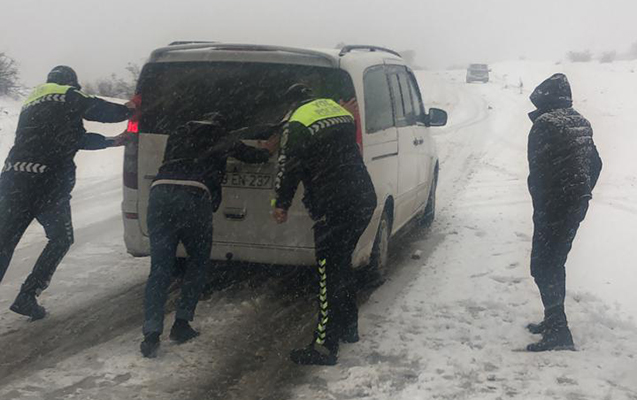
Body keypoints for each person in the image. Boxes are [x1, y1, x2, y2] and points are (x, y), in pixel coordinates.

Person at [0, 65, 135, 320]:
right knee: (61, 238)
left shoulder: (33, 102)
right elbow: (100, 110)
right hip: (46, 183)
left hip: (12, 180)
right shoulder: (68, 95)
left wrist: (110, 141)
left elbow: (74, 138)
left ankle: (28, 295)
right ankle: (28, 294)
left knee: (3, 244)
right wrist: (129, 109)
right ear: (71, 83)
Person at [140, 113, 279, 358]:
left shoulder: (178, 133)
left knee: (160, 268)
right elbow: (253, 157)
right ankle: (181, 324)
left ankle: (151, 332)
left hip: (159, 194)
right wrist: (268, 148)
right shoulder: (223, 137)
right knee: (197, 262)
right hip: (194, 197)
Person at [273, 84, 377, 365]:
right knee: (340, 266)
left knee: (328, 274)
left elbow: (288, 165)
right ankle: (348, 328)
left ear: (290, 105)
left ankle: (324, 346)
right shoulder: (335, 110)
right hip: (363, 198)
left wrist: (280, 203)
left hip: (335, 206)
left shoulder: (297, 122)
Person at [525, 73, 602, 352]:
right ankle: (553, 319)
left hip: (553, 206)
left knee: (543, 265)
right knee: (554, 262)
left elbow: (538, 170)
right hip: (574, 204)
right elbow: (596, 164)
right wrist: (582, 192)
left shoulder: (546, 124)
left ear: (546, 99)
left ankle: (559, 331)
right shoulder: (580, 120)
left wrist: (543, 201)